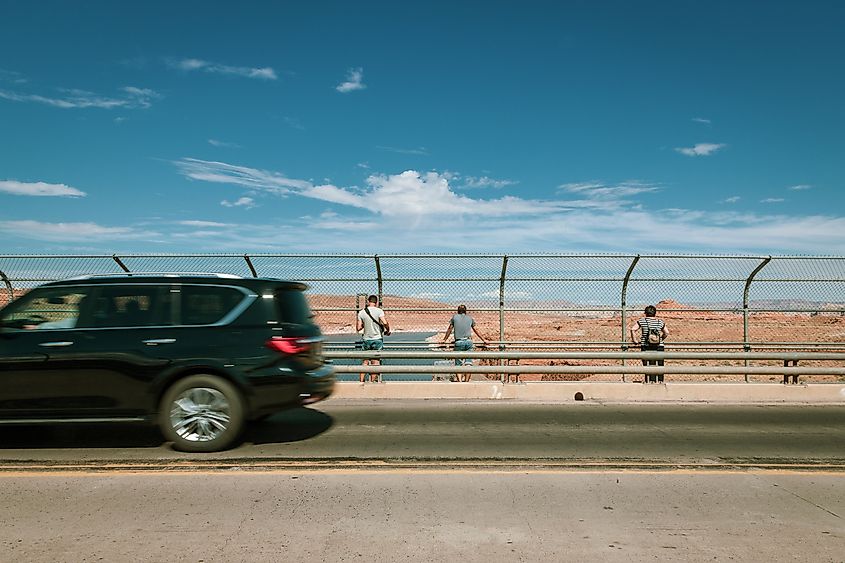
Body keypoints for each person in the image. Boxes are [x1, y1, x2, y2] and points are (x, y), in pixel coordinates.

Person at [442, 305, 488, 382]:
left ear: (458, 311)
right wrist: (484, 340)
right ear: (465, 311)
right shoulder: (470, 318)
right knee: (469, 363)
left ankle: (460, 382)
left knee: (458, 364)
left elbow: (450, 328)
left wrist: (444, 339)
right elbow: (476, 330)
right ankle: (466, 382)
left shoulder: (454, 317)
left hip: (459, 342)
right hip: (469, 342)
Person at [629, 305, 669, 383]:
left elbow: (633, 329)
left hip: (646, 345)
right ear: (655, 313)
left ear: (645, 313)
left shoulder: (642, 321)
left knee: (647, 364)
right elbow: (666, 332)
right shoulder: (660, 322)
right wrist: (660, 339)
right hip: (659, 346)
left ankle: (649, 381)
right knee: (659, 365)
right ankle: (660, 381)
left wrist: (635, 340)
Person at [356, 295, 390, 383]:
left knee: (365, 361)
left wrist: (365, 324)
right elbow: (385, 322)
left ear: (368, 301)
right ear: (377, 302)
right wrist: (387, 330)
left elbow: (358, 328)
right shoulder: (379, 311)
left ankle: (361, 382)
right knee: (375, 362)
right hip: (377, 338)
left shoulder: (362, 312)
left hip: (366, 339)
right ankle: (371, 383)